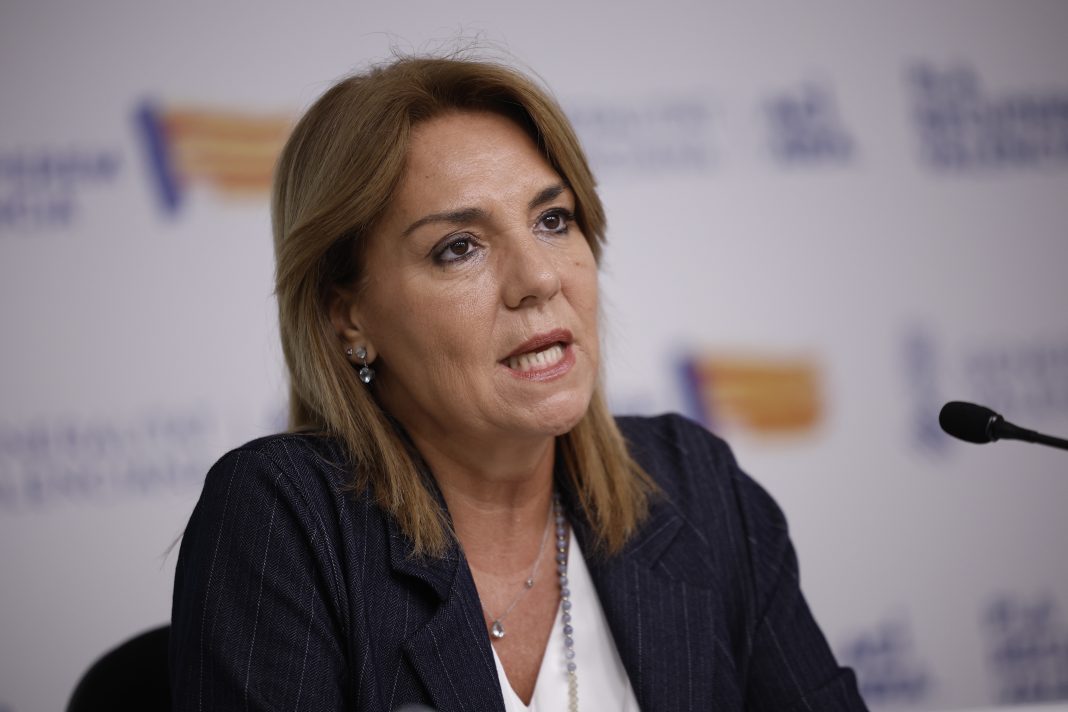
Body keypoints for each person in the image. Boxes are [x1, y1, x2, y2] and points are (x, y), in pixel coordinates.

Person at [170, 55, 868, 711]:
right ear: (347, 315)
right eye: (459, 248)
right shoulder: (285, 519)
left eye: (552, 221)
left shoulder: (695, 486)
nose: (538, 278)